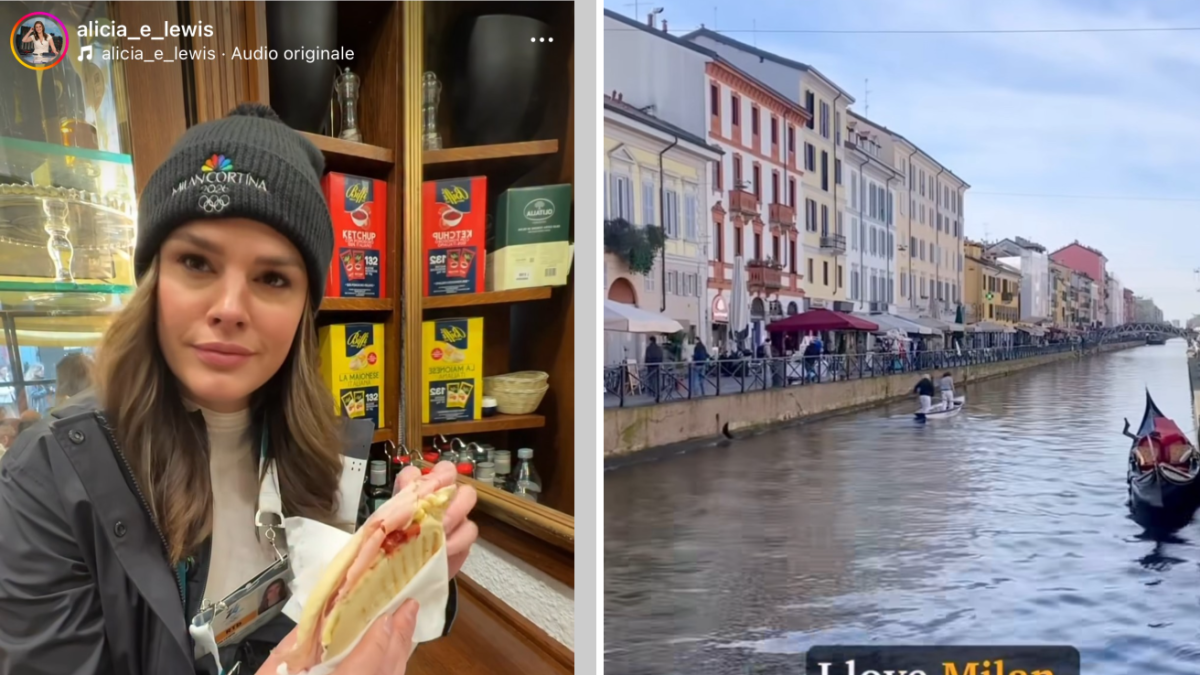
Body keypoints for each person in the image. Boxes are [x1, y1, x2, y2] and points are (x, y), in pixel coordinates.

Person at [0, 104, 479, 675]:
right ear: (154, 281)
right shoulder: (50, 475)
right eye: (197, 263)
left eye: (272, 278)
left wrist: (423, 565)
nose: (229, 309)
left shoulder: (329, 443)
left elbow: (345, 606)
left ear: (305, 309)